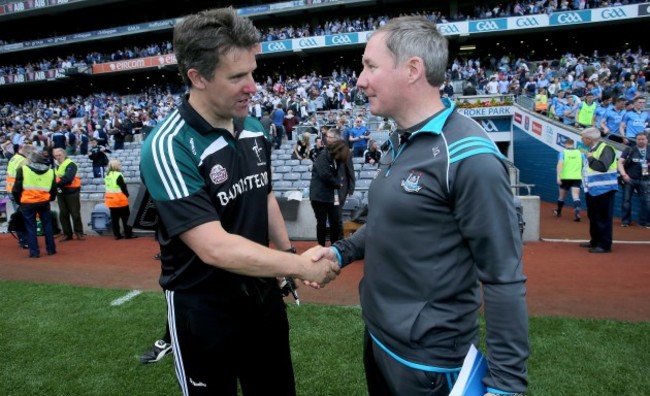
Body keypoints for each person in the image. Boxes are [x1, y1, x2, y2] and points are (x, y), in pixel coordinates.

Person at [310, 16, 529, 396]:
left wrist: (506, 386)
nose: (360, 79)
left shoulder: (469, 157)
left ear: (412, 70)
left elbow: (502, 277)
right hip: (379, 338)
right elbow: (387, 225)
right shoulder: (400, 141)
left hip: (427, 363)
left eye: (370, 66)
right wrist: (339, 252)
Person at [138, 8, 339, 396]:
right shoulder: (168, 146)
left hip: (262, 296)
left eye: (252, 71)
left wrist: (285, 254)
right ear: (197, 77)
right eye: (237, 76)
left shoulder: (252, 127)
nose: (253, 86)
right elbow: (214, 247)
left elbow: (262, 195)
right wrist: (297, 264)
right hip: (203, 309)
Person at [12, 150, 57, 258]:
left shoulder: (23, 169)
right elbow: (53, 189)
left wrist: (19, 201)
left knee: (30, 227)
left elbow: (16, 189)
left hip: (28, 202)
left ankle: (34, 252)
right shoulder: (50, 171)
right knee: (47, 225)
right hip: (44, 201)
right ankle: (51, 249)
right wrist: (49, 198)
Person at [579, 128, 618, 253]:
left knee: (603, 217)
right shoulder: (593, 149)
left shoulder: (606, 148)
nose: (581, 140)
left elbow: (602, 167)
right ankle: (595, 241)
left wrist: (590, 158)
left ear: (589, 139)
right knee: (593, 216)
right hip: (592, 189)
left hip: (604, 189)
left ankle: (604, 244)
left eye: (583, 137)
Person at [309, 137, 349, 247]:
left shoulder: (336, 159)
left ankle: (334, 246)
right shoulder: (323, 156)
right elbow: (326, 175)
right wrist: (338, 184)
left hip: (331, 195)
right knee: (321, 223)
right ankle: (320, 246)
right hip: (318, 197)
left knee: (335, 222)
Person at [617, 131, 650, 227]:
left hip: (645, 179)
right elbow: (620, 163)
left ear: (647, 140)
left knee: (647, 201)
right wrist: (624, 175)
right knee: (626, 200)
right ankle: (625, 221)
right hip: (630, 179)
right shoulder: (629, 149)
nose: (640, 141)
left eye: (643, 139)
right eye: (639, 139)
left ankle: (645, 222)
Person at [5, 144, 35, 249]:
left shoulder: (14, 158)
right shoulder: (23, 161)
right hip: (18, 191)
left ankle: (23, 240)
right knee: (24, 217)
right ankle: (25, 241)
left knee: (19, 215)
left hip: (11, 190)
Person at [53, 148, 85, 241]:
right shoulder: (57, 166)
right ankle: (67, 234)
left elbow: (68, 178)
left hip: (72, 191)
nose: (57, 157)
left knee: (75, 213)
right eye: (56, 155)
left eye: (59, 155)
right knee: (63, 214)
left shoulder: (71, 164)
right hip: (61, 192)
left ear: (64, 154)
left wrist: (55, 185)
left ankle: (79, 233)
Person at [553, 138, 585, 222]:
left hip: (565, 177)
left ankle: (559, 211)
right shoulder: (580, 153)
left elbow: (560, 164)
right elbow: (584, 165)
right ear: (573, 144)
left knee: (561, 196)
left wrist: (558, 176)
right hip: (577, 177)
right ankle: (577, 211)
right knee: (576, 196)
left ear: (566, 144)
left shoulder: (563, 153)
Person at [104, 159, 137, 240]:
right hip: (120, 200)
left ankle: (117, 235)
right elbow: (123, 187)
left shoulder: (107, 175)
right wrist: (127, 195)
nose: (120, 165)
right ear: (116, 166)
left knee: (115, 219)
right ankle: (128, 234)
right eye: (119, 164)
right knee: (126, 218)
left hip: (110, 200)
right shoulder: (118, 175)